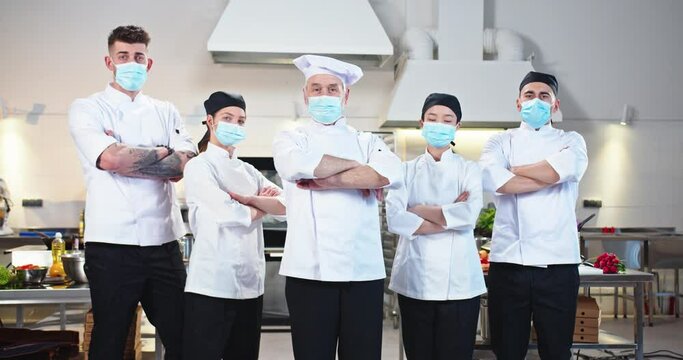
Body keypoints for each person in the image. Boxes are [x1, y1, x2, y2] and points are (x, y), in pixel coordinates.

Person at [68, 25, 197, 360]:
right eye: (123, 56)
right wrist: (161, 151)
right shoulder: (87, 107)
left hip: (163, 242)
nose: (131, 63)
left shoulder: (165, 110)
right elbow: (110, 158)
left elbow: (184, 166)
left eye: (138, 56)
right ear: (109, 61)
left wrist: (132, 156)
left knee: (183, 335)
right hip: (111, 245)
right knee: (110, 339)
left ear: (148, 63)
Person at [272, 54, 402, 360]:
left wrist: (326, 179)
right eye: (316, 89)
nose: (324, 95)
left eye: (332, 88)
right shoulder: (291, 137)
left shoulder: (367, 139)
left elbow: (389, 172)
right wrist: (359, 170)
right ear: (305, 95)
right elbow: (295, 167)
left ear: (346, 95)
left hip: (362, 271)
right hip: (308, 271)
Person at [479, 71, 588, 360]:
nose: (536, 102)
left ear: (555, 105)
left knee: (556, 350)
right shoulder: (499, 141)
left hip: (558, 264)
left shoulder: (572, 140)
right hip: (509, 263)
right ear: (518, 103)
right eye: (529, 95)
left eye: (544, 96)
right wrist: (550, 175)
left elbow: (560, 170)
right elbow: (492, 179)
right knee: (506, 349)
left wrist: (512, 170)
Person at [181, 91, 286, 360]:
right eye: (227, 118)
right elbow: (227, 212)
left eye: (241, 120)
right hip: (211, 286)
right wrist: (262, 205)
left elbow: (287, 206)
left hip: (251, 285)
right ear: (210, 121)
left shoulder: (249, 171)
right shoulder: (198, 167)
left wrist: (250, 203)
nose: (235, 125)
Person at [386, 93, 487, 360]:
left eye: (447, 119)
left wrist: (416, 210)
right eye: (432, 118)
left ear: (457, 126)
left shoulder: (470, 170)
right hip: (415, 279)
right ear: (421, 123)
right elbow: (395, 218)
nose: (439, 124)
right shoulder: (404, 171)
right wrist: (448, 218)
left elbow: (468, 216)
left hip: (460, 284)